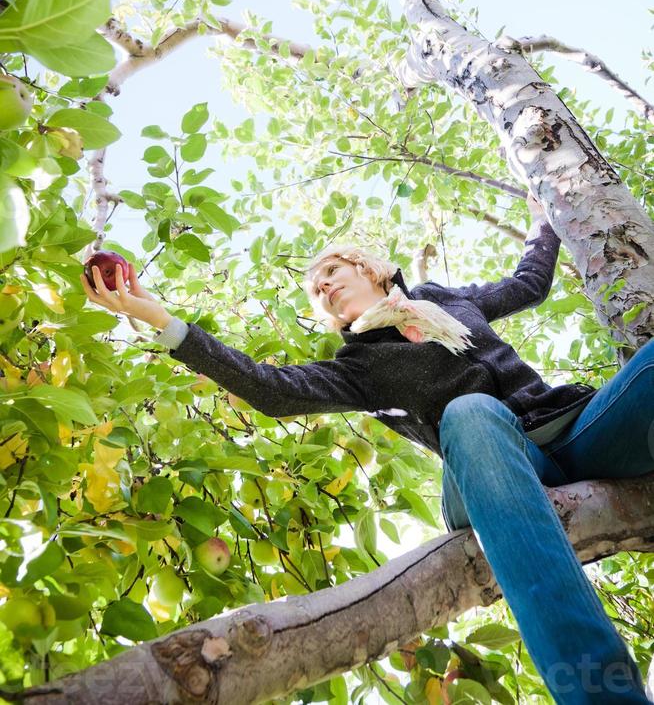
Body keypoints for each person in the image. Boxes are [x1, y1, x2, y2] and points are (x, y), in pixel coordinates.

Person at [79, 197, 654, 704]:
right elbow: (271, 391)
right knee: (470, 411)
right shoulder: (357, 366)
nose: (325, 286)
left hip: (571, 430)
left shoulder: (444, 301)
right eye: (317, 288)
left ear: (368, 268)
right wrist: (158, 319)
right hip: (487, 465)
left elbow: (530, 283)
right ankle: (601, 695)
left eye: (331, 271)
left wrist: (543, 216)